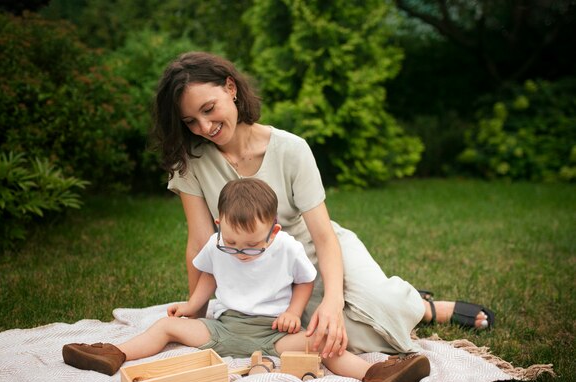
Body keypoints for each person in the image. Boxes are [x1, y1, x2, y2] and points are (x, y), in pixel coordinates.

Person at [152, 51, 494, 360]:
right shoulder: (192, 161)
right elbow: (199, 241)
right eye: (190, 121)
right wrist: (196, 313)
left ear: (231, 88)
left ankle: (423, 307)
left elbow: (324, 235)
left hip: (317, 249)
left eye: (209, 110)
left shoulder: (291, 148)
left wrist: (332, 301)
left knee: (366, 312)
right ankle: (395, 304)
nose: (205, 127)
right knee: (335, 337)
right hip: (262, 270)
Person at [62, 178, 431, 382]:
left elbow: (307, 279)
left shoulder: (286, 247)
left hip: (273, 333)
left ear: (272, 230)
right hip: (223, 328)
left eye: (252, 245)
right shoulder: (219, 242)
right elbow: (208, 273)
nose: (240, 253)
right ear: (220, 223)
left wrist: (291, 312)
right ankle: (115, 354)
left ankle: (374, 375)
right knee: (167, 325)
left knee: (321, 343)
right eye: (232, 243)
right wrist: (193, 305)